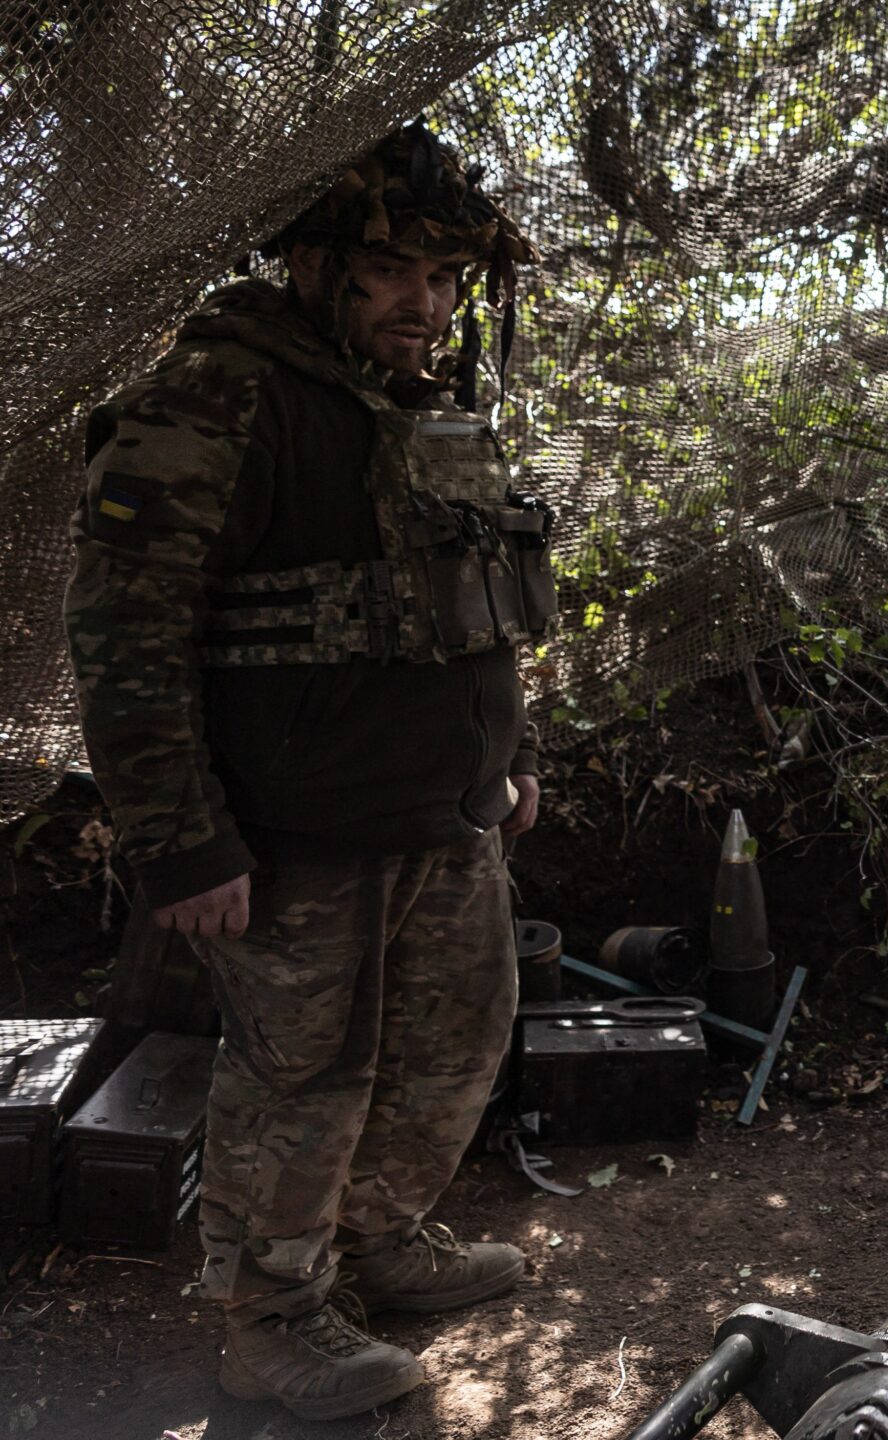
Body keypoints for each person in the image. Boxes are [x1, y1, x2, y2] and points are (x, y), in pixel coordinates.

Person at [63, 121, 551, 1420]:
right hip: (296, 834)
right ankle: (269, 1317)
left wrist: (514, 755)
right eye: (392, 271)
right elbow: (124, 635)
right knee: (303, 1079)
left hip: (444, 816)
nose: (422, 303)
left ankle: (375, 1245)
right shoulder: (218, 398)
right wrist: (182, 843)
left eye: (442, 278)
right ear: (316, 265)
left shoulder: (425, 408)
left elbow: (483, 600)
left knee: (456, 1042)